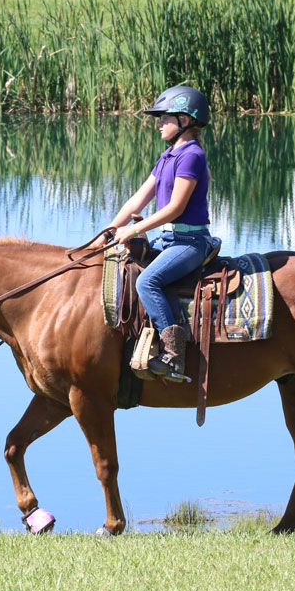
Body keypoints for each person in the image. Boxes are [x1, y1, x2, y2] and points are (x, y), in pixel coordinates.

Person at [104, 85, 213, 380]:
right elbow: (137, 200)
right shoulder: (167, 156)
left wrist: (136, 228)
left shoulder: (191, 156)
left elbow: (175, 208)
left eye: (165, 117)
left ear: (186, 120)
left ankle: (173, 355)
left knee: (148, 282)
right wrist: (110, 231)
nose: (159, 122)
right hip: (167, 240)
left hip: (190, 242)